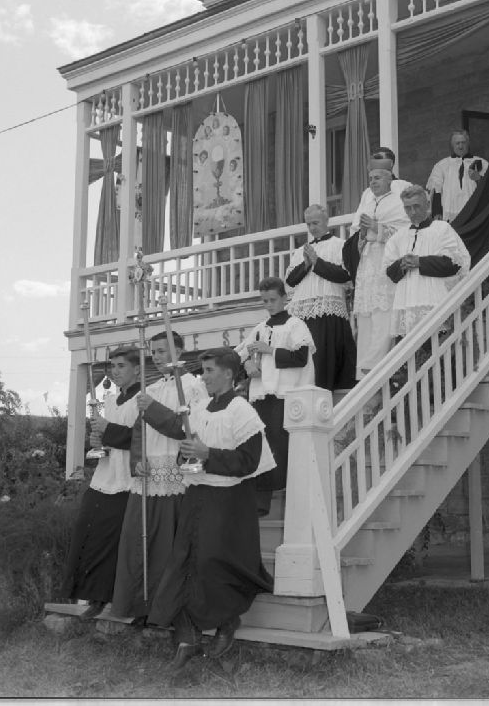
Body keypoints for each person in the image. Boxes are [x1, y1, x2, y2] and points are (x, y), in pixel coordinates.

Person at [140, 348, 275, 673]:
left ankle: (227, 623)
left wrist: (207, 453)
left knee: (215, 564)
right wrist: (184, 448)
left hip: (229, 501)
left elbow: (248, 461)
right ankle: (188, 639)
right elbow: (183, 437)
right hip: (197, 494)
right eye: (202, 371)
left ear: (228, 373)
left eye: (209, 370)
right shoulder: (200, 408)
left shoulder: (242, 411)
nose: (204, 377)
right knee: (184, 563)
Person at [107, 331, 209, 623]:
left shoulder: (193, 387)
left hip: (175, 476)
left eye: (163, 351)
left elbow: (186, 429)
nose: (157, 357)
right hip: (147, 474)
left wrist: (151, 408)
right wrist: (137, 460)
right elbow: (139, 432)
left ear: (180, 351)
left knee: (165, 545)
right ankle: (139, 607)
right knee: (137, 542)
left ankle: (166, 611)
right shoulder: (150, 388)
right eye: (154, 352)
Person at [59, 346, 140, 619]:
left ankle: (109, 598)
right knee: (87, 530)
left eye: (121, 366)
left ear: (137, 369)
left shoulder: (143, 399)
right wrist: (97, 439)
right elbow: (107, 435)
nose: (115, 371)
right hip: (104, 475)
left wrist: (108, 431)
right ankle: (91, 595)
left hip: (127, 478)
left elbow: (141, 439)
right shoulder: (112, 399)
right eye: (112, 366)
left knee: (112, 540)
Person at [235, 277, 316, 516]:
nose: (269, 305)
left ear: (284, 298)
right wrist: (248, 364)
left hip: (286, 395)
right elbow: (240, 355)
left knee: (281, 446)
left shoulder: (296, 325)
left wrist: (269, 350)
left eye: (272, 300)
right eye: (265, 301)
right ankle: (260, 503)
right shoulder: (260, 328)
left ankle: (290, 498)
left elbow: (300, 358)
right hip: (261, 395)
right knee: (260, 446)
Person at [348, 147, 411, 378]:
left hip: (386, 263)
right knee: (365, 315)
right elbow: (356, 231)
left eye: (377, 178)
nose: (372, 182)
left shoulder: (399, 196)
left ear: (389, 177)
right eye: (371, 178)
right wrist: (363, 234)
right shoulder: (367, 198)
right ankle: (363, 372)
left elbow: (406, 232)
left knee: (384, 314)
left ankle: (377, 368)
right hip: (367, 264)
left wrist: (377, 227)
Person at [284, 204, 357, 392]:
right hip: (302, 313)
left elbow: (345, 275)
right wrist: (306, 264)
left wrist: (317, 262)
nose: (312, 228)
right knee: (305, 360)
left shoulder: (340, 245)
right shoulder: (300, 251)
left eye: (315, 223)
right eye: (308, 224)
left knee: (323, 361)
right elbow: (291, 280)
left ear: (326, 221)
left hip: (329, 311)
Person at [383, 184, 471, 339]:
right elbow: (389, 272)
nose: (412, 212)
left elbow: (454, 264)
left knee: (437, 349)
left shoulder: (442, 229)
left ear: (428, 204)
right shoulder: (398, 237)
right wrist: (402, 264)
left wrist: (419, 262)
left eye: (416, 206)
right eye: (408, 208)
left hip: (435, 303)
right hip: (406, 307)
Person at [426, 130, 488, 222]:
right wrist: (437, 212)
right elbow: (436, 190)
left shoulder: (482, 163)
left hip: (474, 214)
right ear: (452, 145)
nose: (460, 146)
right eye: (457, 143)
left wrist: (479, 178)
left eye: (463, 142)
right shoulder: (441, 165)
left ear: (468, 143)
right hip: (450, 215)